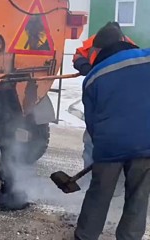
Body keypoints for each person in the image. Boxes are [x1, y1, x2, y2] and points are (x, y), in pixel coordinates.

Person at [74, 23, 150, 240]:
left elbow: (92, 123)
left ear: (98, 51)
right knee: (139, 195)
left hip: (110, 147)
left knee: (99, 193)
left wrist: (101, 149)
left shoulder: (94, 77)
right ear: (124, 42)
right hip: (146, 144)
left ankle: (85, 236)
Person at [72, 22, 135, 195]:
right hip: (98, 90)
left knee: (120, 145)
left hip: (120, 99)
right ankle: (90, 184)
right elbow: (78, 55)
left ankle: (117, 188)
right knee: (91, 143)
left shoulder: (129, 48)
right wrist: (85, 66)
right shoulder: (94, 41)